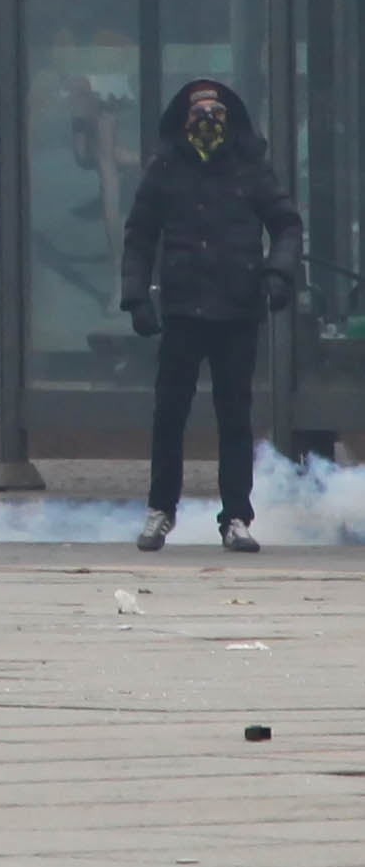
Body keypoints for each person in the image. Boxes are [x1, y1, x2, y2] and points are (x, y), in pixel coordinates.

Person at [121, 78, 300, 554]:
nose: (207, 121)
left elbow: (286, 224)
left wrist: (278, 274)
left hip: (237, 309)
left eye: (216, 112)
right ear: (182, 120)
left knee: (235, 417)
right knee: (169, 413)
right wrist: (136, 297)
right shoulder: (165, 168)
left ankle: (236, 517)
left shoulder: (250, 167)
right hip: (183, 309)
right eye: (198, 112)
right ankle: (161, 510)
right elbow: (139, 234)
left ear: (230, 118)